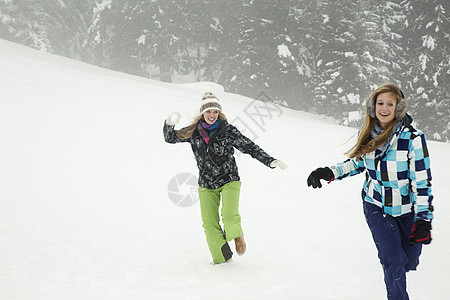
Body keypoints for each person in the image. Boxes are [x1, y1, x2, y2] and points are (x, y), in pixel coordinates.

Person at [306, 84, 434, 300]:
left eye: (390, 104)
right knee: (392, 259)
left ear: (399, 108)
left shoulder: (413, 138)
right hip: (376, 205)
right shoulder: (369, 134)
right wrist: (329, 172)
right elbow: (356, 163)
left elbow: (422, 182)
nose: (384, 108)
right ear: (373, 106)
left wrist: (423, 220)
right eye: (380, 103)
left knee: (409, 261)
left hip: (406, 208)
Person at [163, 91, 287, 264]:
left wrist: (270, 160)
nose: (212, 115)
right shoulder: (193, 131)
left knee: (228, 216)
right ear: (202, 113)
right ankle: (223, 259)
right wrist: (169, 124)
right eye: (208, 111)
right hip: (206, 184)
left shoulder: (227, 130)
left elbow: (249, 147)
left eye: (215, 111)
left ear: (219, 113)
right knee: (209, 223)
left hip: (229, 180)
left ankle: (237, 234)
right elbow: (170, 138)